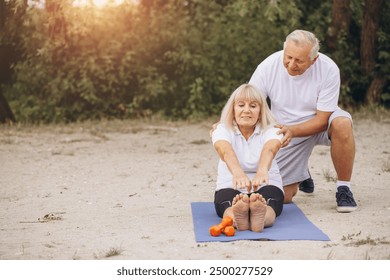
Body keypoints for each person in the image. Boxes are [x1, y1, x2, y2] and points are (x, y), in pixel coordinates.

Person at [248, 29, 357, 213]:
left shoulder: (328, 69)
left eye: (299, 60)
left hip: (318, 123)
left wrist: (293, 130)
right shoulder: (268, 66)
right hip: (286, 131)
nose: (291, 64)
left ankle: (343, 188)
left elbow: (322, 120)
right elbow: (250, 101)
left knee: (343, 122)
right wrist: (226, 123)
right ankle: (303, 173)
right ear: (284, 49)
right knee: (282, 196)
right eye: (288, 57)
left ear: (314, 60)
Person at [212, 83, 284, 232]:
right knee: (228, 204)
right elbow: (225, 150)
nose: (246, 110)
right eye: (241, 105)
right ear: (233, 109)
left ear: (261, 111)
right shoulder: (222, 129)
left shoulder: (272, 129)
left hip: (266, 185)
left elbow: (270, 149)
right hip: (231, 186)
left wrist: (262, 171)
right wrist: (238, 173)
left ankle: (259, 218)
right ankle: (240, 217)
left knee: (268, 204)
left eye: (253, 106)